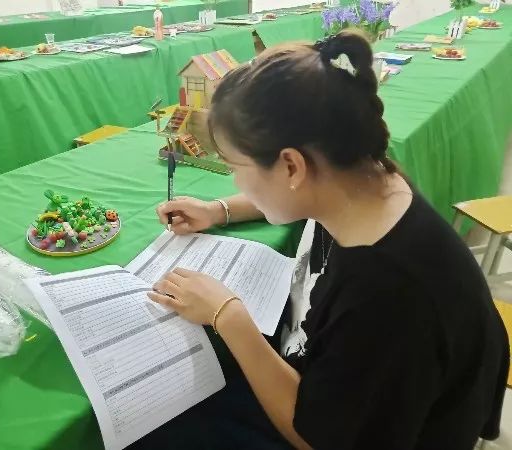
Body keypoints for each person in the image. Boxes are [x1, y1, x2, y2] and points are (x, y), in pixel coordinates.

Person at [136, 31, 510, 450]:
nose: (236, 181)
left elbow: (317, 438)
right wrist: (218, 209)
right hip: (336, 379)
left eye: (236, 167)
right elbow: (295, 193)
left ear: (291, 166)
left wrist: (229, 316)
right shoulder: (361, 179)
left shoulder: (388, 296)